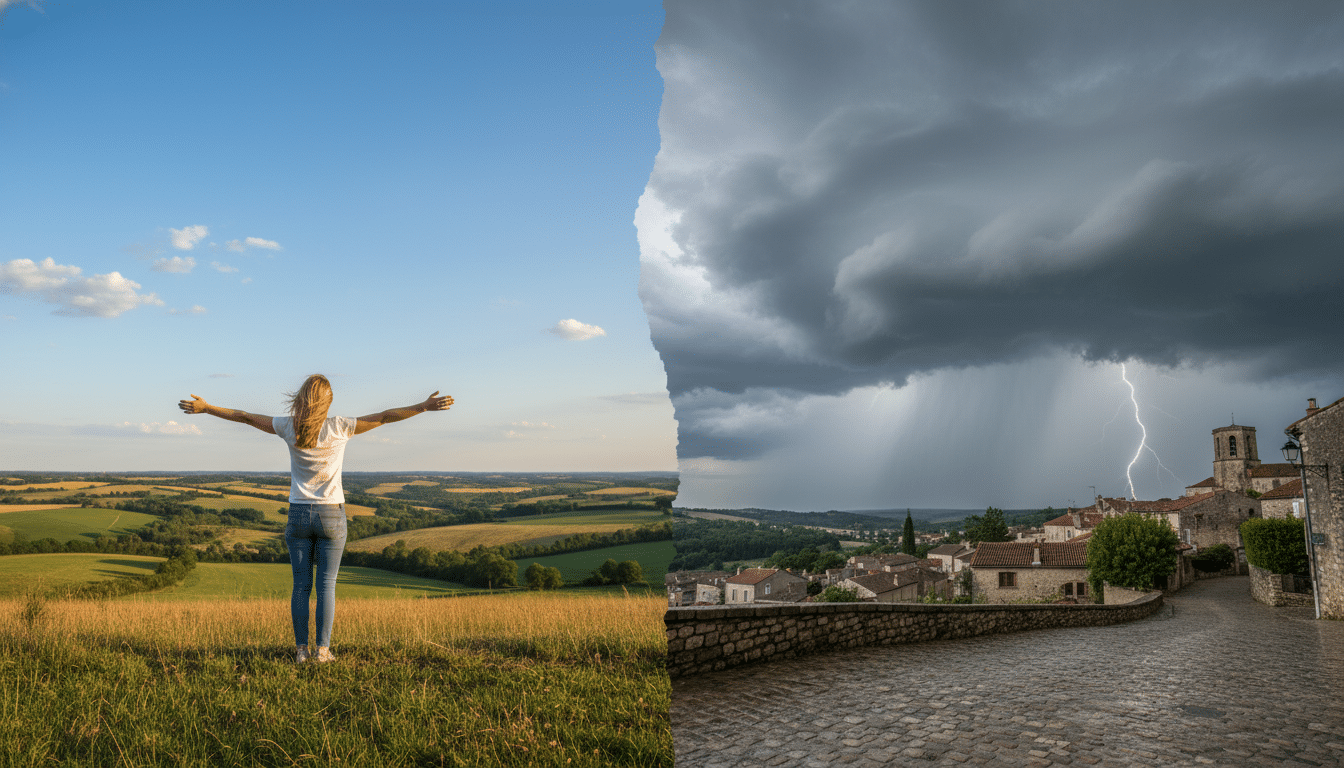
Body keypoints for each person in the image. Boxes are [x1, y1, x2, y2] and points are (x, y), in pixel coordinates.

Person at [178, 374, 453, 663]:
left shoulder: (287, 426)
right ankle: (322, 651)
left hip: (298, 514)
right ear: (328, 401)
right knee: (326, 586)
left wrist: (207, 408)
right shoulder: (340, 427)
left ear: (300, 398)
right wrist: (423, 407)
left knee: (300, 587)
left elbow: (245, 417)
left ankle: (301, 651)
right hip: (331, 514)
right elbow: (385, 417)